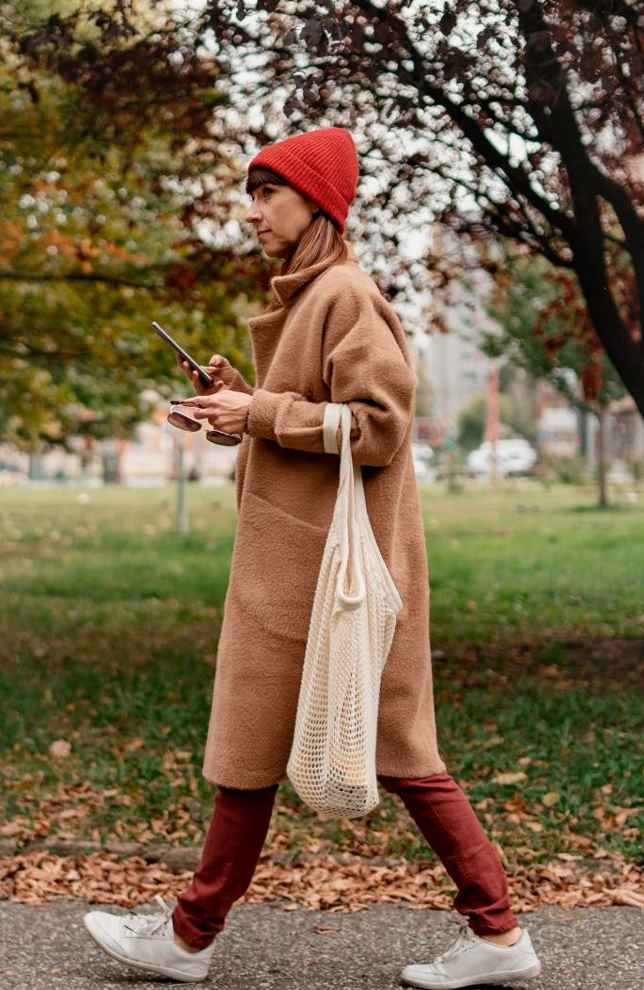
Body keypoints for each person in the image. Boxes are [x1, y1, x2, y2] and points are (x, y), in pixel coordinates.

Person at [82, 128, 543, 988]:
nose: (251, 212)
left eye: (267, 194)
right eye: (252, 194)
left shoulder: (344, 293)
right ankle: (193, 935)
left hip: (337, 576)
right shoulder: (308, 297)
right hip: (298, 570)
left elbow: (377, 429)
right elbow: (308, 411)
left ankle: (494, 933)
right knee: (257, 751)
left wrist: (257, 413)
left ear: (316, 204)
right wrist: (238, 398)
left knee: (399, 753)